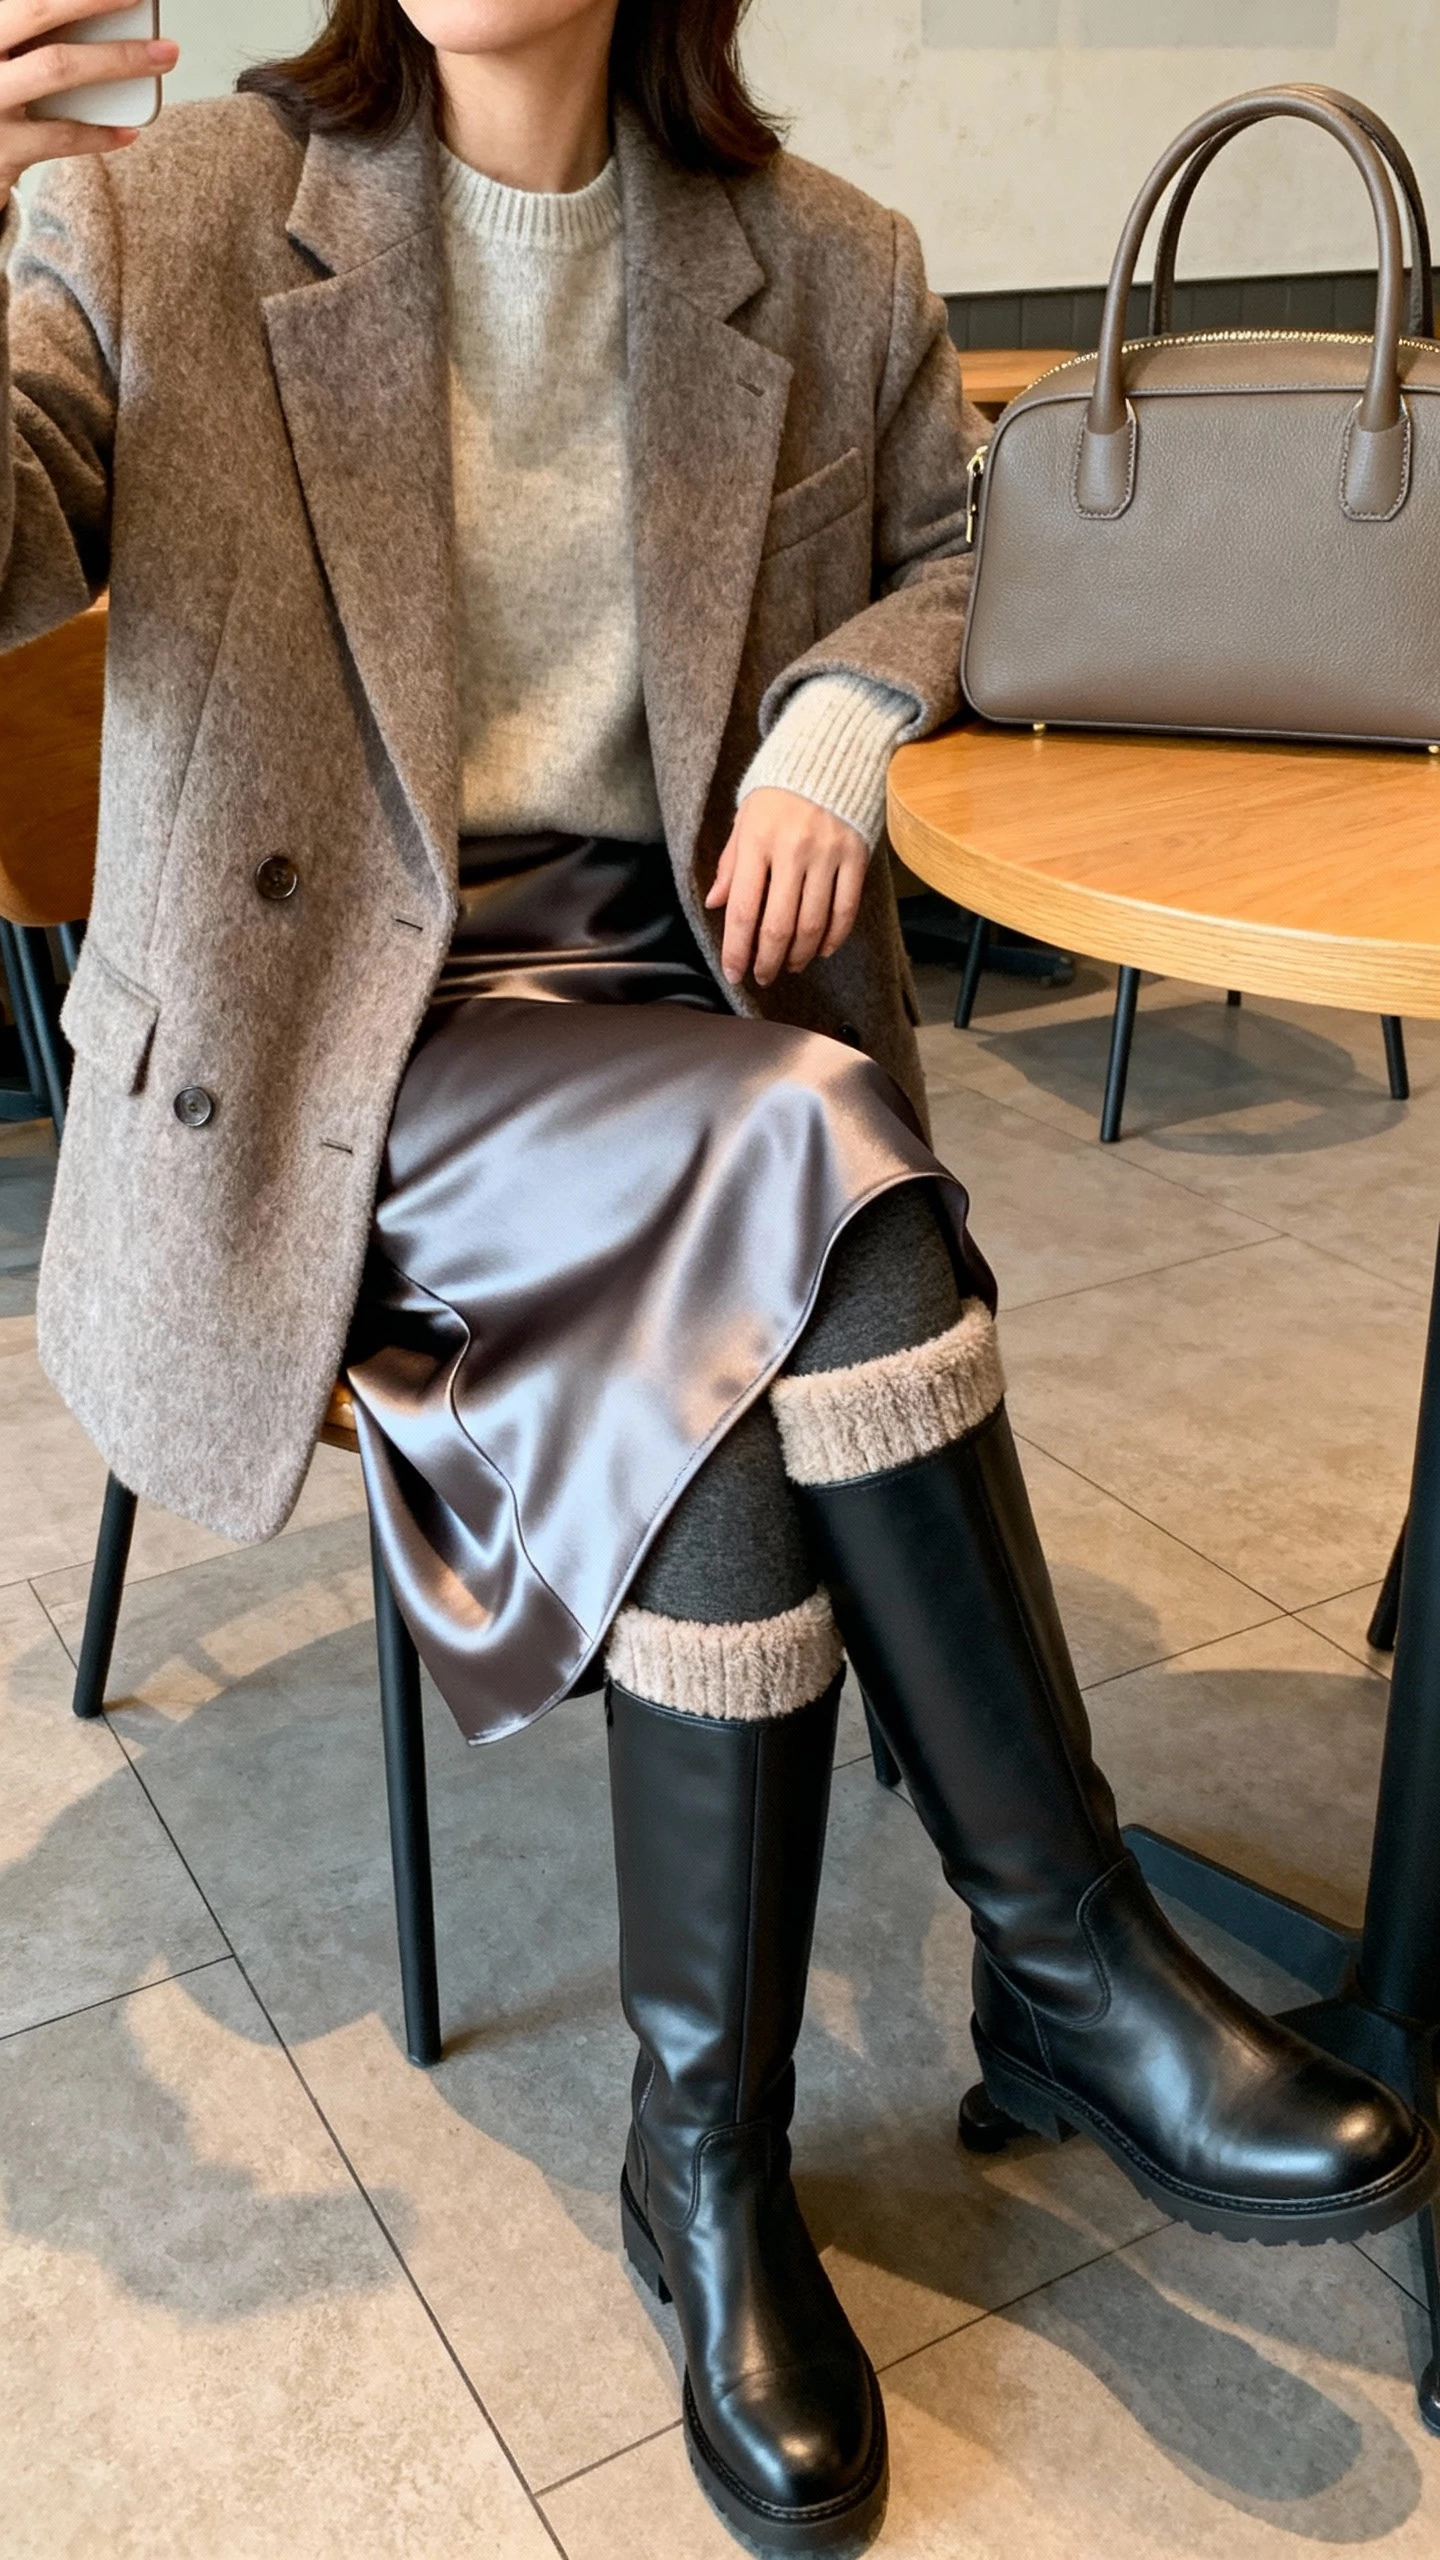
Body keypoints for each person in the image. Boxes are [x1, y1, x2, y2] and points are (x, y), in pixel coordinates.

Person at [2, 5, 1433, 2550]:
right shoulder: (170, 219)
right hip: (350, 1058)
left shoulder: (829, 261)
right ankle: (1061, 1946)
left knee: (760, 1274)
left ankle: (713, 2150)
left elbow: (984, 546)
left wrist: (847, 709)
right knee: (822, 1176)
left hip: (674, 1024)